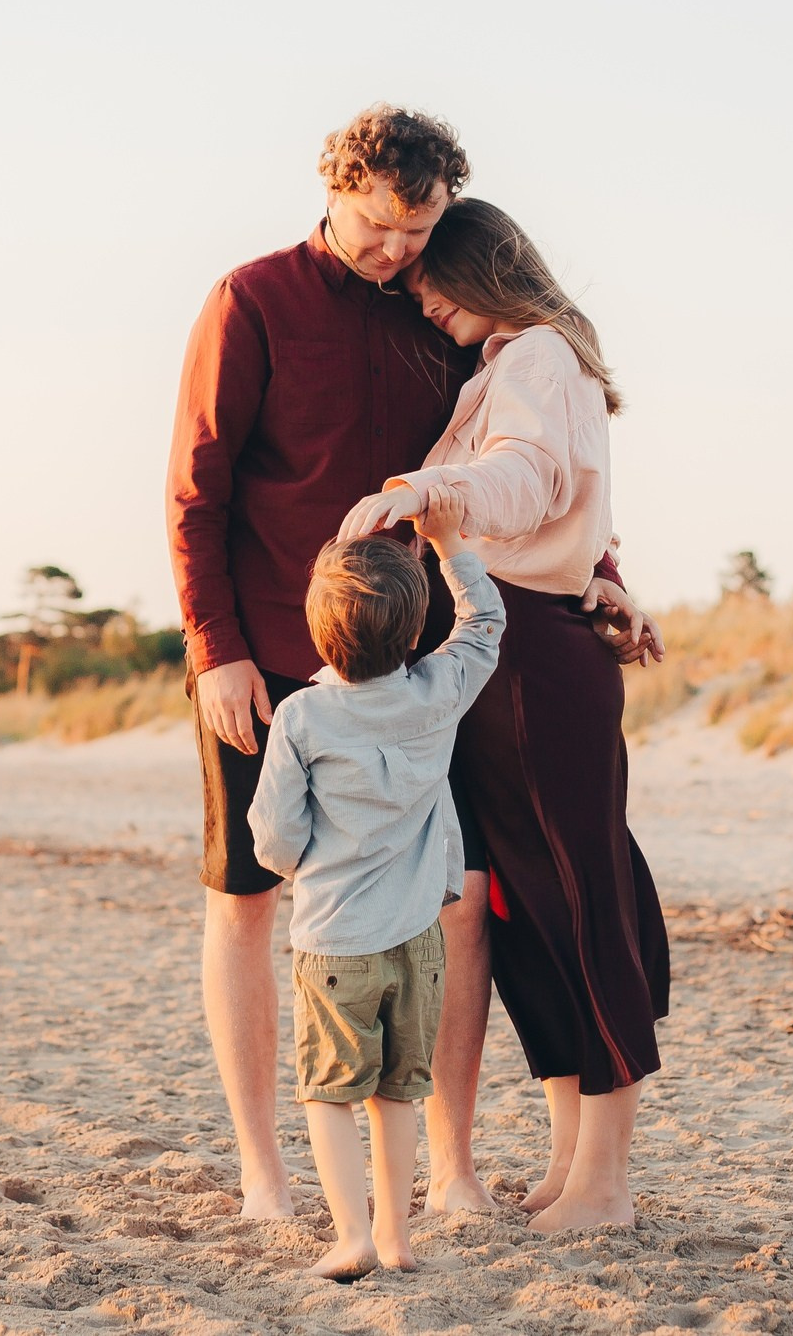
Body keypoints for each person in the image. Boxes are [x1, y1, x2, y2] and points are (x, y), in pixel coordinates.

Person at [167, 106, 631, 1218]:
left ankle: (454, 1171)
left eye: (416, 231)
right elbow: (197, 493)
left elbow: (526, 460)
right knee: (248, 898)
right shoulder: (251, 299)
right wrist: (217, 651)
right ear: (335, 192)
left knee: (459, 903)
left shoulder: (443, 311)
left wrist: (606, 565)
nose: (394, 253)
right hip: (273, 653)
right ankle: (263, 1177)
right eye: (377, 227)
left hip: (431, 664)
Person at [338, 198, 670, 1233]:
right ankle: (573, 1164)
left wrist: (414, 492)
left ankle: (605, 1183)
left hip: (529, 654)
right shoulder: (514, 367)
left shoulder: (532, 358)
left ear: (483, 270)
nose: (418, 295)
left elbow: (527, 481)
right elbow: (577, 503)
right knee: (534, 913)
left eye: (432, 276)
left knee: (581, 906)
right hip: (510, 648)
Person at [247, 496, 503, 1279]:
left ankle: (352, 1237)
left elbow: (274, 839)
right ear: (414, 628)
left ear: (318, 631)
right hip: (420, 941)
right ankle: (396, 1235)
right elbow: (485, 624)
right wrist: (451, 544)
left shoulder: (302, 718)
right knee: (398, 1091)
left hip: (333, 941)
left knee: (330, 1093)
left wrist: (306, 866)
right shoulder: (437, 693)